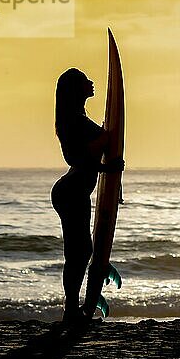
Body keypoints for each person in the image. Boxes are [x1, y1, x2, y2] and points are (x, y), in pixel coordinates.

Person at [51, 68, 123, 324]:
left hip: (75, 191)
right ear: (74, 89)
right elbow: (76, 158)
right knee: (78, 252)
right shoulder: (72, 120)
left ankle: (73, 310)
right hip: (70, 192)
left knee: (81, 251)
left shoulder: (79, 117)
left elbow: (92, 152)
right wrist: (107, 167)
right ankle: (71, 311)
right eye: (84, 81)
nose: (91, 82)